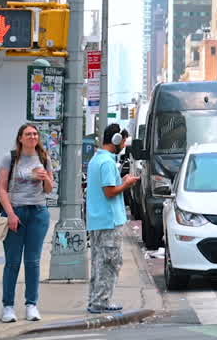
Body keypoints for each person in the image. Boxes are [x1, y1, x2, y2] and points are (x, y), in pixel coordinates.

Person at [0, 124, 54, 323]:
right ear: (20, 138)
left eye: (35, 134)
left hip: (38, 212)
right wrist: (10, 214)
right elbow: (2, 188)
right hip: (16, 211)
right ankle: (8, 306)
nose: (32, 137)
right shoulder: (10, 158)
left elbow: (49, 189)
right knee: (12, 261)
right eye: (28, 134)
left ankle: (31, 305)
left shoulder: (44, 158)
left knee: (33, 261)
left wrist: (45, 178)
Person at [85, 124, 138, 314]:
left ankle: (96, 300)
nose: (123, 145)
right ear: (115, 139)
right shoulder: (107, 163)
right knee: (110, 262)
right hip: (109, 220)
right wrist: (127, 184)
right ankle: (101, 301)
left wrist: (121, 182)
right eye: (122, 141)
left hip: (98, 220)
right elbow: (109, 192)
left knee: (99, 262)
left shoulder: (96, 160)